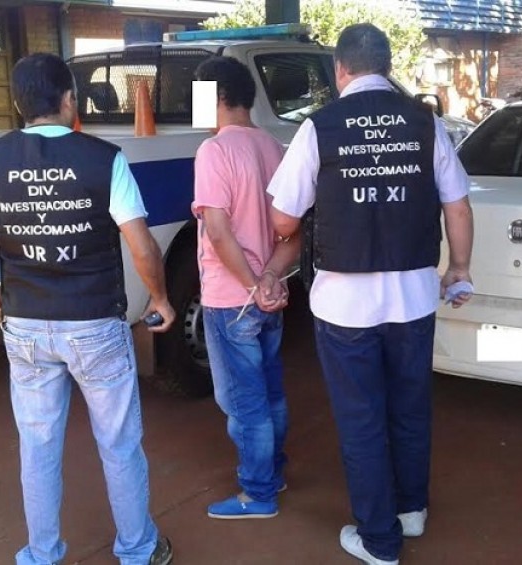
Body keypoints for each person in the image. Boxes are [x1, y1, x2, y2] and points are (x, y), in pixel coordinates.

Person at [0, 52, 175, 565]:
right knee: (118, 442)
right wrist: (160, 298)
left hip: (25, 325)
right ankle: (138, 549)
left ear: (18, 104)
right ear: (70, 99)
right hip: (94, 322)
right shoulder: (104, 158)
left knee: (38, 445)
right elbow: (142, 248)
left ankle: (42, 553)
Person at [266, 24, 474, 565]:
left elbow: (283, 218)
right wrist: (459, 269)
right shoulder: (426, 123)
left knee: (361, 419)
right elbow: (457, 205)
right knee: (409, 407)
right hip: (414, 299)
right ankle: (411, 510)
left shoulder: (319, 127)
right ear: (387, 66)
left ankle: (379, 540)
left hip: (345, 306)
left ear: (340, 69)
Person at [191, 56, 299, 520]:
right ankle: (273, 471)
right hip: (269, 296)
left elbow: (218, 232)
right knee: (270, 391)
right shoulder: (275, 148)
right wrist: (268, 280)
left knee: (242, 401)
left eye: (198, 95)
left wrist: (252, 285)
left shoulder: (214, 151)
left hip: (231, 299)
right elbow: (293, 232)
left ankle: (258, 493)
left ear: (217, 96)